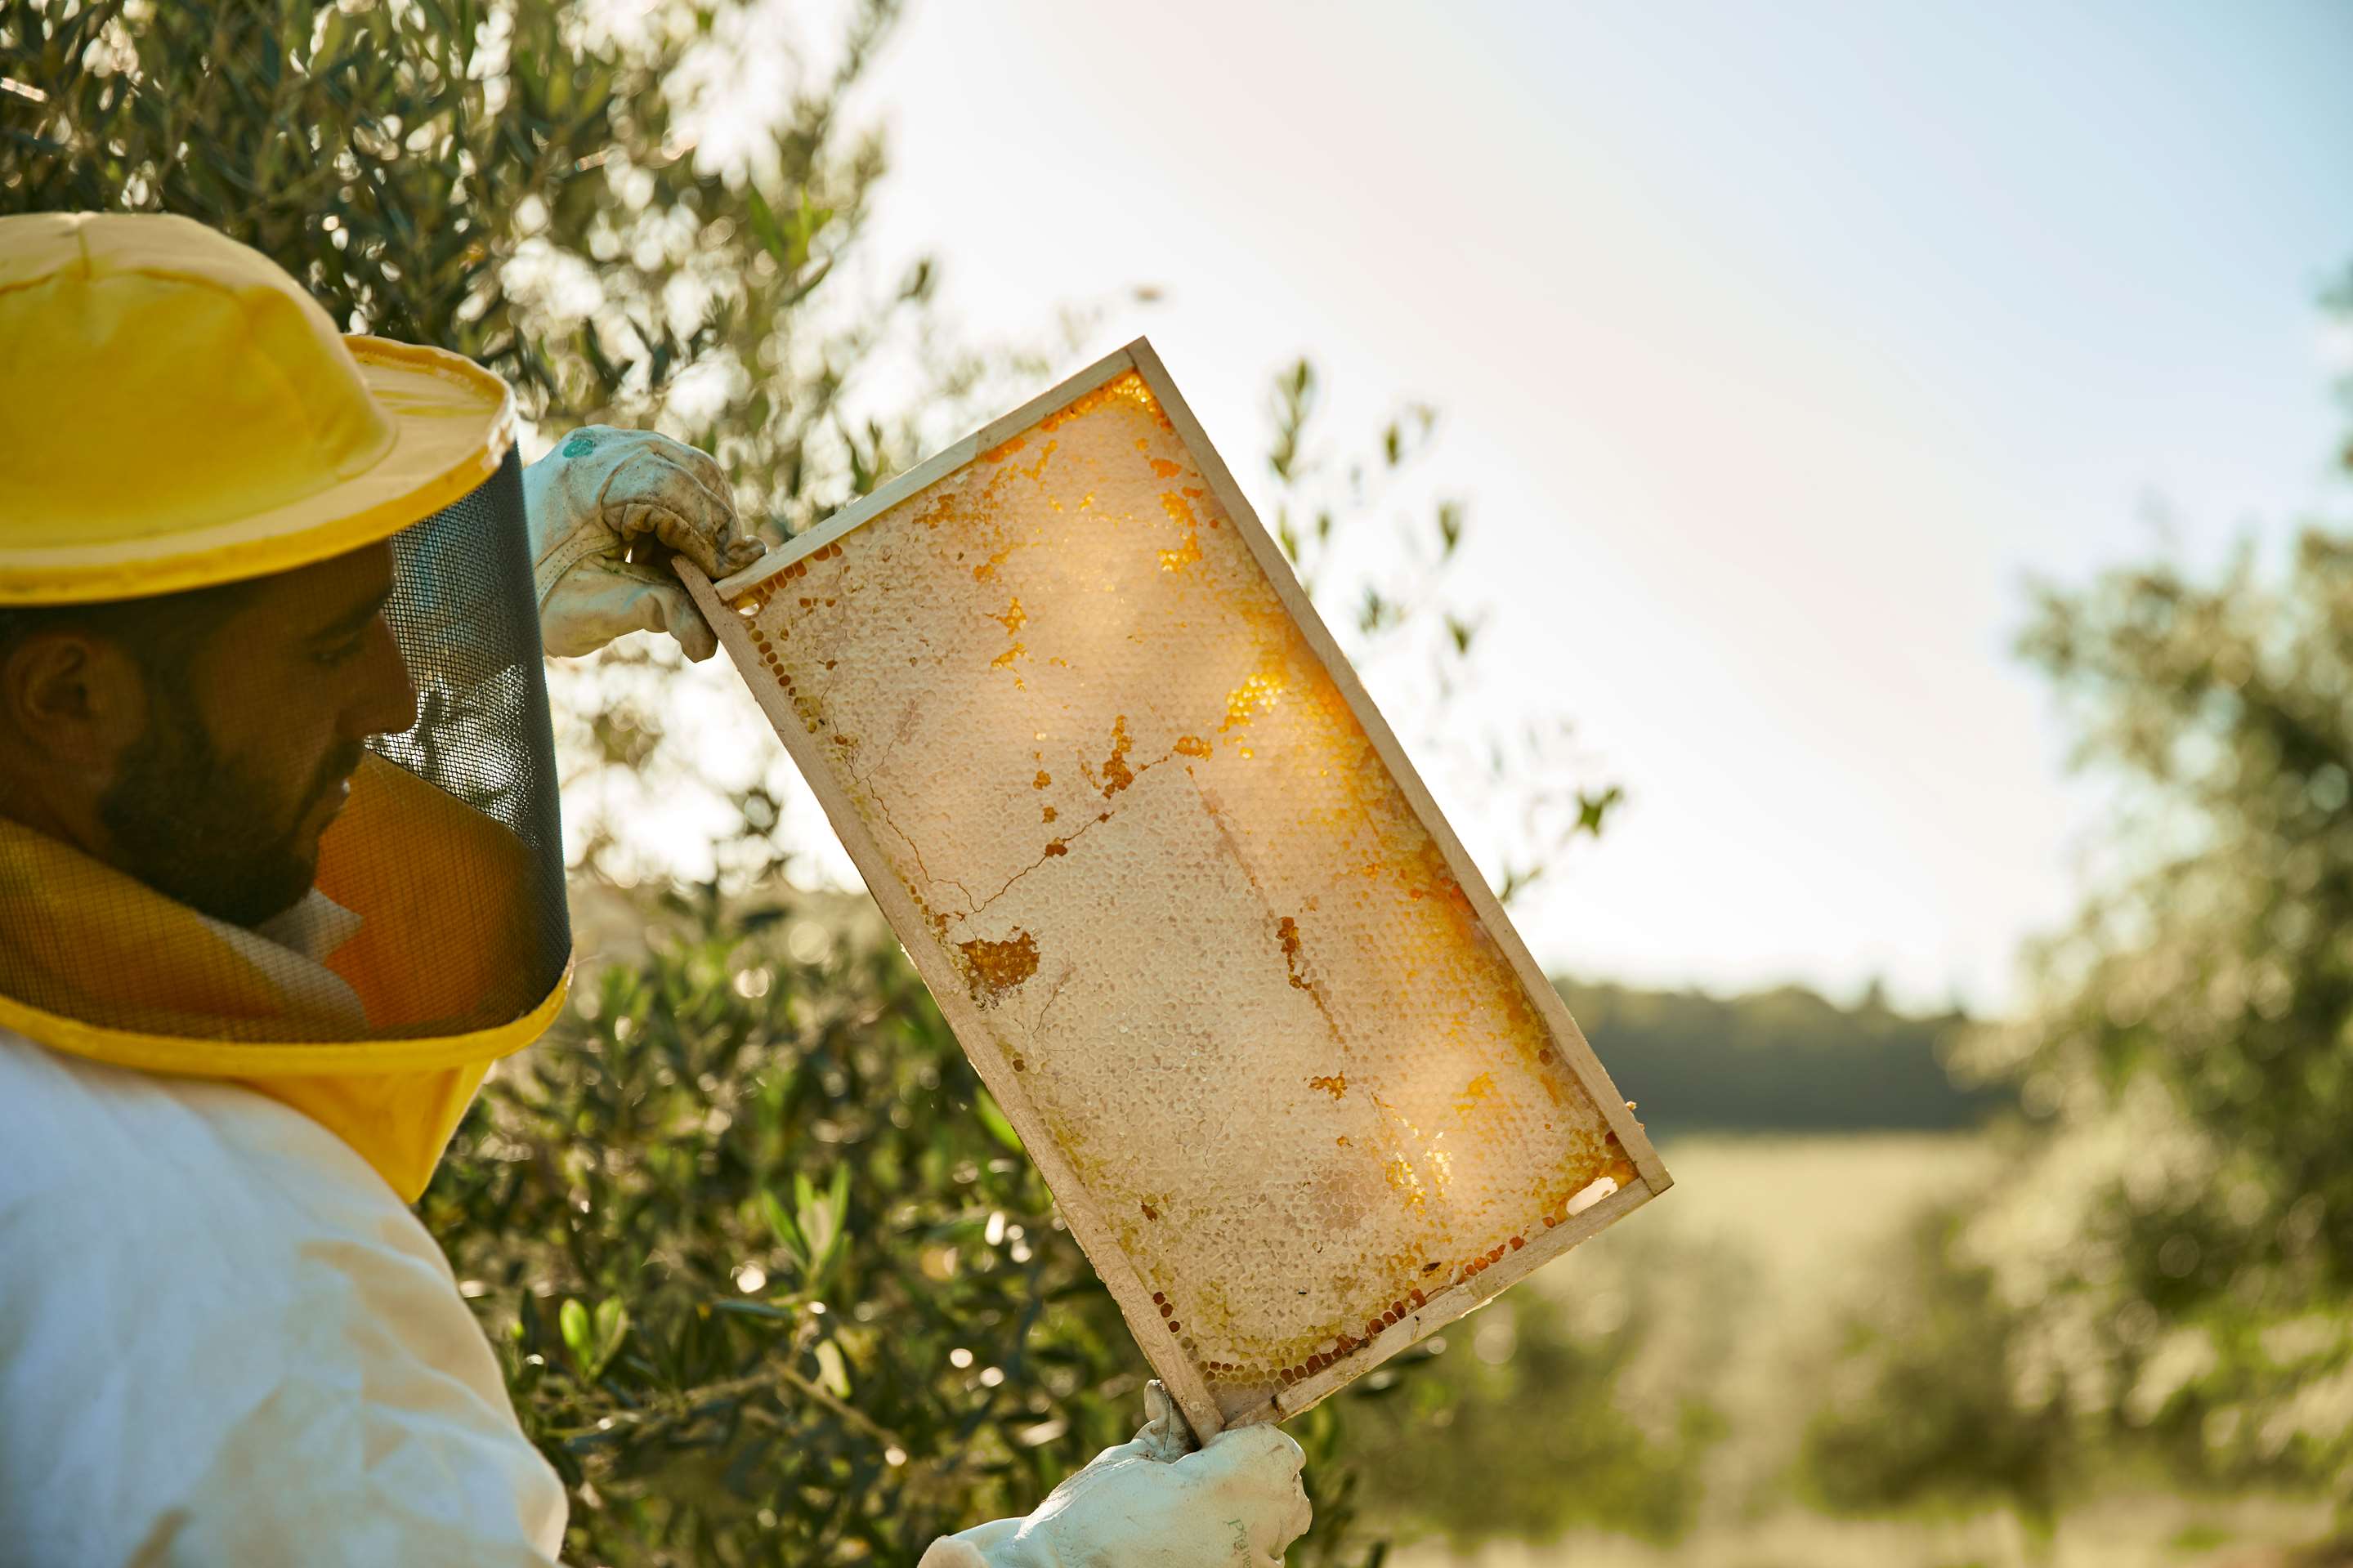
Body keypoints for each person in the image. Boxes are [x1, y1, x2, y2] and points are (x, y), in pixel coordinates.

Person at [0, 212, 1310, 1567]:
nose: (396, 691)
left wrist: (469, 595)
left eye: (396, 618)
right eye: (339, 643)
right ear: (69, 697)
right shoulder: (241, 1306)